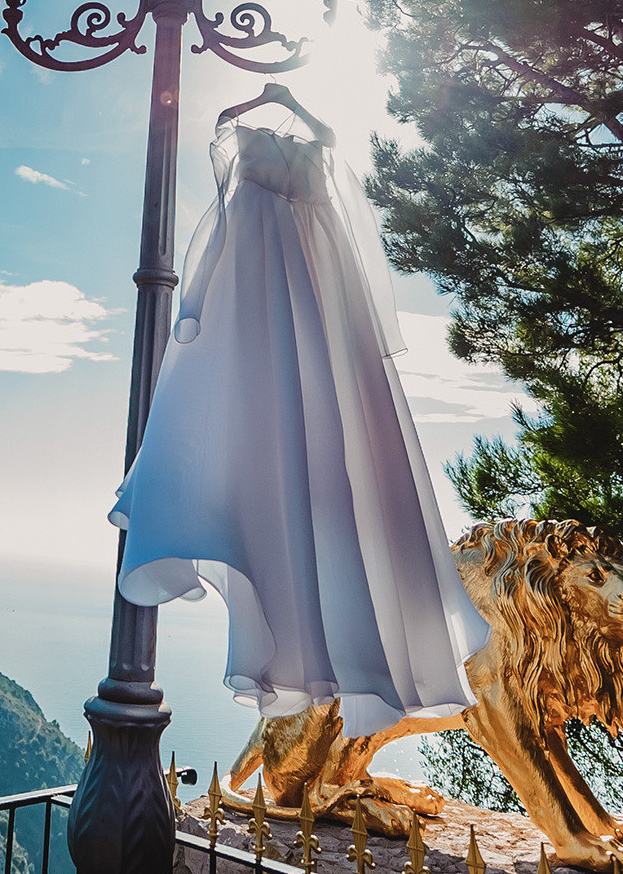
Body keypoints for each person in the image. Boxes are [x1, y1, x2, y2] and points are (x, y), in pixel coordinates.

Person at [111, 88, 486, 736]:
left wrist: (194, 309)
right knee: (303, 443)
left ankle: (319, 638)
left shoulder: (258, 150)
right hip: (302, 292)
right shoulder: (298, 155)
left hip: (281, 288)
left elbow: (213, 237)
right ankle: (310, 634)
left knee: (293, 443)